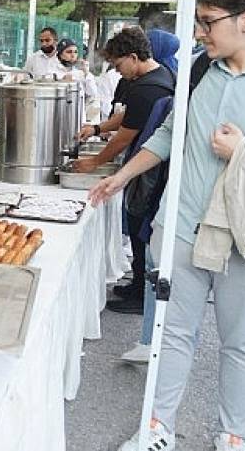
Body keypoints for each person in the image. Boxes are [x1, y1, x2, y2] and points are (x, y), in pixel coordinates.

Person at [91, 0, 245, 451]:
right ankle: (156, 426)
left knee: (244, 343)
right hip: (182, 226)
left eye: (208, 21)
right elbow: (171, 133)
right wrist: (122, 176)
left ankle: (233, 434)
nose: (200, 31)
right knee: (172, 333)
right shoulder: (199, 68)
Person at [75, 28, 175, 318]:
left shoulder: (148, 87)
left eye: (119, 66)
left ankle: (141, 294)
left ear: (134, 57)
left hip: (150, 170)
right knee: (136, 224)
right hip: (148, 165)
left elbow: (125, 135)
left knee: (139, 224)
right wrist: (96, 129)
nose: (118, 73)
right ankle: (137, 285)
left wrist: (94, 162)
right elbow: (128, 117)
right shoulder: (156, 77)